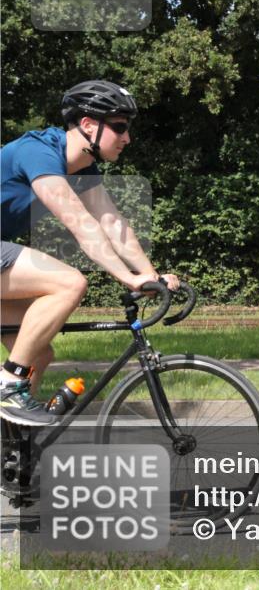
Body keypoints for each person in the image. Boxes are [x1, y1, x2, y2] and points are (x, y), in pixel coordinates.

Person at [1, 80, 179, 426]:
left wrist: (152, 276)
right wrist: (128, 278)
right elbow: (80, 223)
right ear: (87, 125)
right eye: (120, 127)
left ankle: (10, 451)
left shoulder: (83, 169)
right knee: (69, 283)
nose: (127, 138)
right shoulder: (38, 152)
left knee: (38, 352)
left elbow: (112, 223)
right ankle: (8, 386)